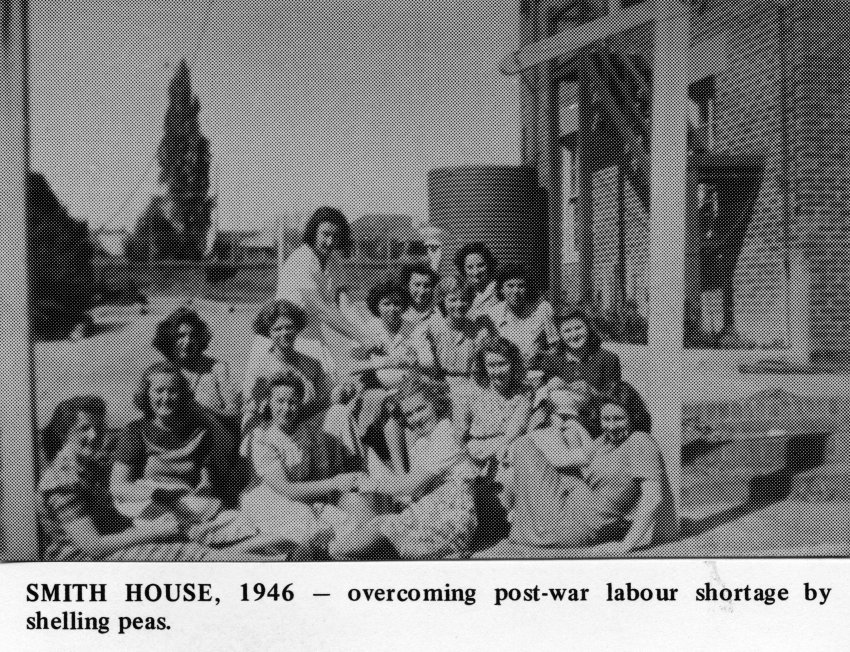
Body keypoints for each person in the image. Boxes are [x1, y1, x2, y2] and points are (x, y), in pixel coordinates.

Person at [38, 396, 288, 561]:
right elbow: (93, 546)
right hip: (84, 565)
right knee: (189, 556)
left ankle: (282, 554)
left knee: (195, 537)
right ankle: (282, 565)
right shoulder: (62, 483)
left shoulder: (87, 466)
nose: (94, 435)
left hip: (113, 542)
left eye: (99, 428)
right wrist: (156, 530)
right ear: (63, 433)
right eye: (83, 429)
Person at [507, 386, 674, 554]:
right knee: (553, 441)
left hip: (583, 523)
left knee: (523, 445)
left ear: (633, 417)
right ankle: (526, 520)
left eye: (618, 418)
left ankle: (527, 523)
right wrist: (568, 427)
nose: (611, 426)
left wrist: (624, 546)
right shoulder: (604, 441)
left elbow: (653, 497)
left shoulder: (640, 441)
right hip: (577, 508)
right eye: (606, 419)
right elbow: (576, 457)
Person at [328, 375, 478, 560]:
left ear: (435, 404)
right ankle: (333, 551)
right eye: (409, 414)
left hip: (451, 523)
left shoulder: (445, 433)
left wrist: (367, 484)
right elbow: (415, 492)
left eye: (421, 409)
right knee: (375, 535)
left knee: (382, 527)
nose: (416, 418)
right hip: (428, 517)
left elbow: (411, 486)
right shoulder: (422, 442)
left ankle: (328, 551)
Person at [239, 372, 363, 555]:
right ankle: (240, 553)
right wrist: (335, 483)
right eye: (280, 401)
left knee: (349, 527)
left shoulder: (304, 430)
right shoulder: (261, 438)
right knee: (310, 528)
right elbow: (287, 489)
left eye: (292, 402)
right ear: (269, 402)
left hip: (300, 499)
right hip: (266, 499)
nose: (286, 408)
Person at [110, 362, 236, 522]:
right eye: (159, 391)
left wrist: (204, 486)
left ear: (182, 394)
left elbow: (205, 476)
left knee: (228, 517)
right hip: (149, 498)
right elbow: (118, 486)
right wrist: (157, 495)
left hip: (185, 499)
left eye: (173, 391)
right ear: (147, 394)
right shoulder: (135, 431)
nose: (166, 398)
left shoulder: (198, 430)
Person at [262, 206, 367, 380]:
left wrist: (368, 333)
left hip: (312, 334)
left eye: (335, 235)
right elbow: (321, 310)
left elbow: (343, 303)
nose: (330, 241)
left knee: (329, 385)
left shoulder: (333, 260)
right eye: (325, 234)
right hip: (287, 336)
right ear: (313, 233)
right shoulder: (301, 260)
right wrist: (360, 336)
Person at [453, 335, 533, 547]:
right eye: (492, 365)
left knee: (516, 455)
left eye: (503, 363)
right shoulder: (468, 391)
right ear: (483, 365)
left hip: (506, 447)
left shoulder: (524, 392)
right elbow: (459, 434)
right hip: (474, 450)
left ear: (513, 363)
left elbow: (516, 429)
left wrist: (504, 447)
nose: (497, 371)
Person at [242, 299, 329, 422]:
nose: (284, 333)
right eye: (277, 329)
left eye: (289, 327)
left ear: (297, 328)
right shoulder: (259, 368)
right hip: (273, 430)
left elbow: (324, 404)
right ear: (268, 332)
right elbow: (251, 410)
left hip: (310, 427)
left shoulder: (313, 365)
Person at [152, 307, 239, 422]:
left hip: (213, 435)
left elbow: (235, 415)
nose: (187, 342)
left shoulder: (217, 369)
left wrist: (203, 411)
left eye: (192, 336)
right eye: (180, 336)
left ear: (200, 339)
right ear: (169, 339)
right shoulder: (161, 373)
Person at [410, 274, 486, 384]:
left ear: (470, 302)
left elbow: (479, 371)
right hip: (437, 386)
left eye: (464, 299)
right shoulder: (430, 329)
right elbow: (424, 366)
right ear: (443, 302)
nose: (459, 305)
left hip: (470, 386)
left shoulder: (478, 331)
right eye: (453, 300)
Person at [532, 310, 622, 399]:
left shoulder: (608, 358)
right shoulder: (551, 360)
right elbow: (538, 394)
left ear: (588, 328)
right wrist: (549, 385)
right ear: (560, 335)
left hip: (595, 410)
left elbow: (614, 398)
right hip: (559, 410)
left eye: (578, 328)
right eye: (567, 331)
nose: (574, 335)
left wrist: (591, 391)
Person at [485, 264, 559, 365]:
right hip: (506, 375)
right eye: (510, 286)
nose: (515, 291)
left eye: (521, 286)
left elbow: (556, 347)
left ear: (527, 288)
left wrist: (540, 355)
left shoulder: (542, 309)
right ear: (501, 289)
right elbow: (487, 352)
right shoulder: (493, 314)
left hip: (536, 373)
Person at [454, 242, 499, 320]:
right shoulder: (462, 293)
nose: (476, 272)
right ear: (463, 270)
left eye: (481, 265)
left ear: (489, 265)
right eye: (470, 267)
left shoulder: (500, 290)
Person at [400, 263, 440, 328]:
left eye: (427, 286)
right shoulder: (399, 312)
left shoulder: (439, 314)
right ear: (407, 286)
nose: (422, 291)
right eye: (417, 285)